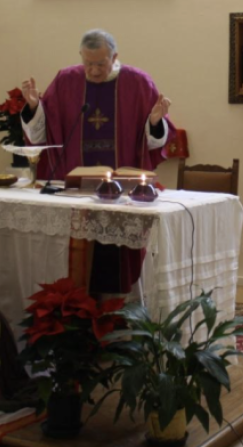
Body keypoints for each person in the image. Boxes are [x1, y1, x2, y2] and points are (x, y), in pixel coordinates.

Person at [20, 29, 174, 294]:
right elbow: (45, 134)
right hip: (77, 190)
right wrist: (34, 107)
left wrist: (155, 122)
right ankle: (79, 306)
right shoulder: (67, 81)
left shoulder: (137, 83)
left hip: (122, 192)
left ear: (114, 57)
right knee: (78, 259)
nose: (92, 71)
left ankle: (121, 309)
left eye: (100, 64)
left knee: (118, 260)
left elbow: (153, 142)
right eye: (87, 63)